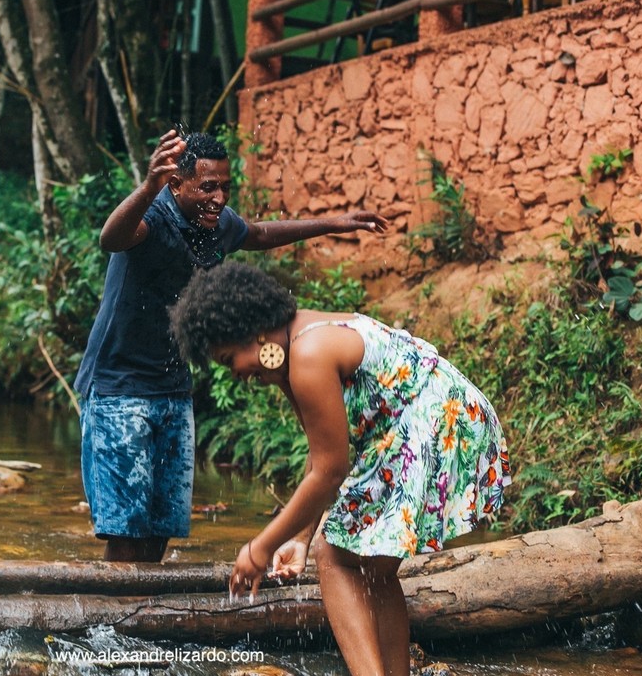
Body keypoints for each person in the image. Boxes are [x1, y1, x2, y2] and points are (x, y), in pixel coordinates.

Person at [168, 261, 511, 676]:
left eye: (229, 359)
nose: (237, 374)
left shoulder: (309, 354)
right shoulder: (294, 350)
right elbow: (320, 453)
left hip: (434, 422)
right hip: (424, 425)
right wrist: (298, 536)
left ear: (251, 329)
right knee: (370, 565)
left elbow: (331, 472)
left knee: (333, 559)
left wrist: (259, 549)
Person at [75, 127, 389, 563]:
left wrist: (334, 223)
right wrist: (147, 186)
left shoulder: (214, 224)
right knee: (125, 534)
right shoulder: (153, 216)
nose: (219, 198)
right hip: (118, 389)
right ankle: (110, 625)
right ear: (175, 184)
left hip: (173, 389)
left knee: (159, 533)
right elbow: (112, 238)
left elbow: (258, 234)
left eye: (225, 187)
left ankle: (139, 626)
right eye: (207, 187)